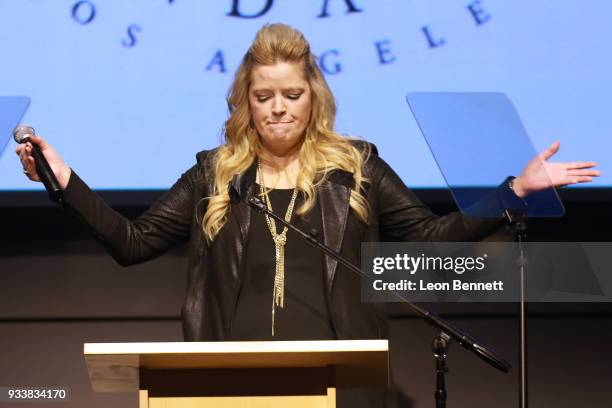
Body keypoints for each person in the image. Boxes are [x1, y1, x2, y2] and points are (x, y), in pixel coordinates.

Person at [16, 24, 598, 342]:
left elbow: (430, 236)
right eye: (263, 97)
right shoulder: (215, 173)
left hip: (339, 377)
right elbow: (131, 242)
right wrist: (63, 180)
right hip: (229, 380)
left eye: (291, 95)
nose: (277, 109)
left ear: (313, 99)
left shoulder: (357, 165)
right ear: (246, 103)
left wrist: (512, 193)